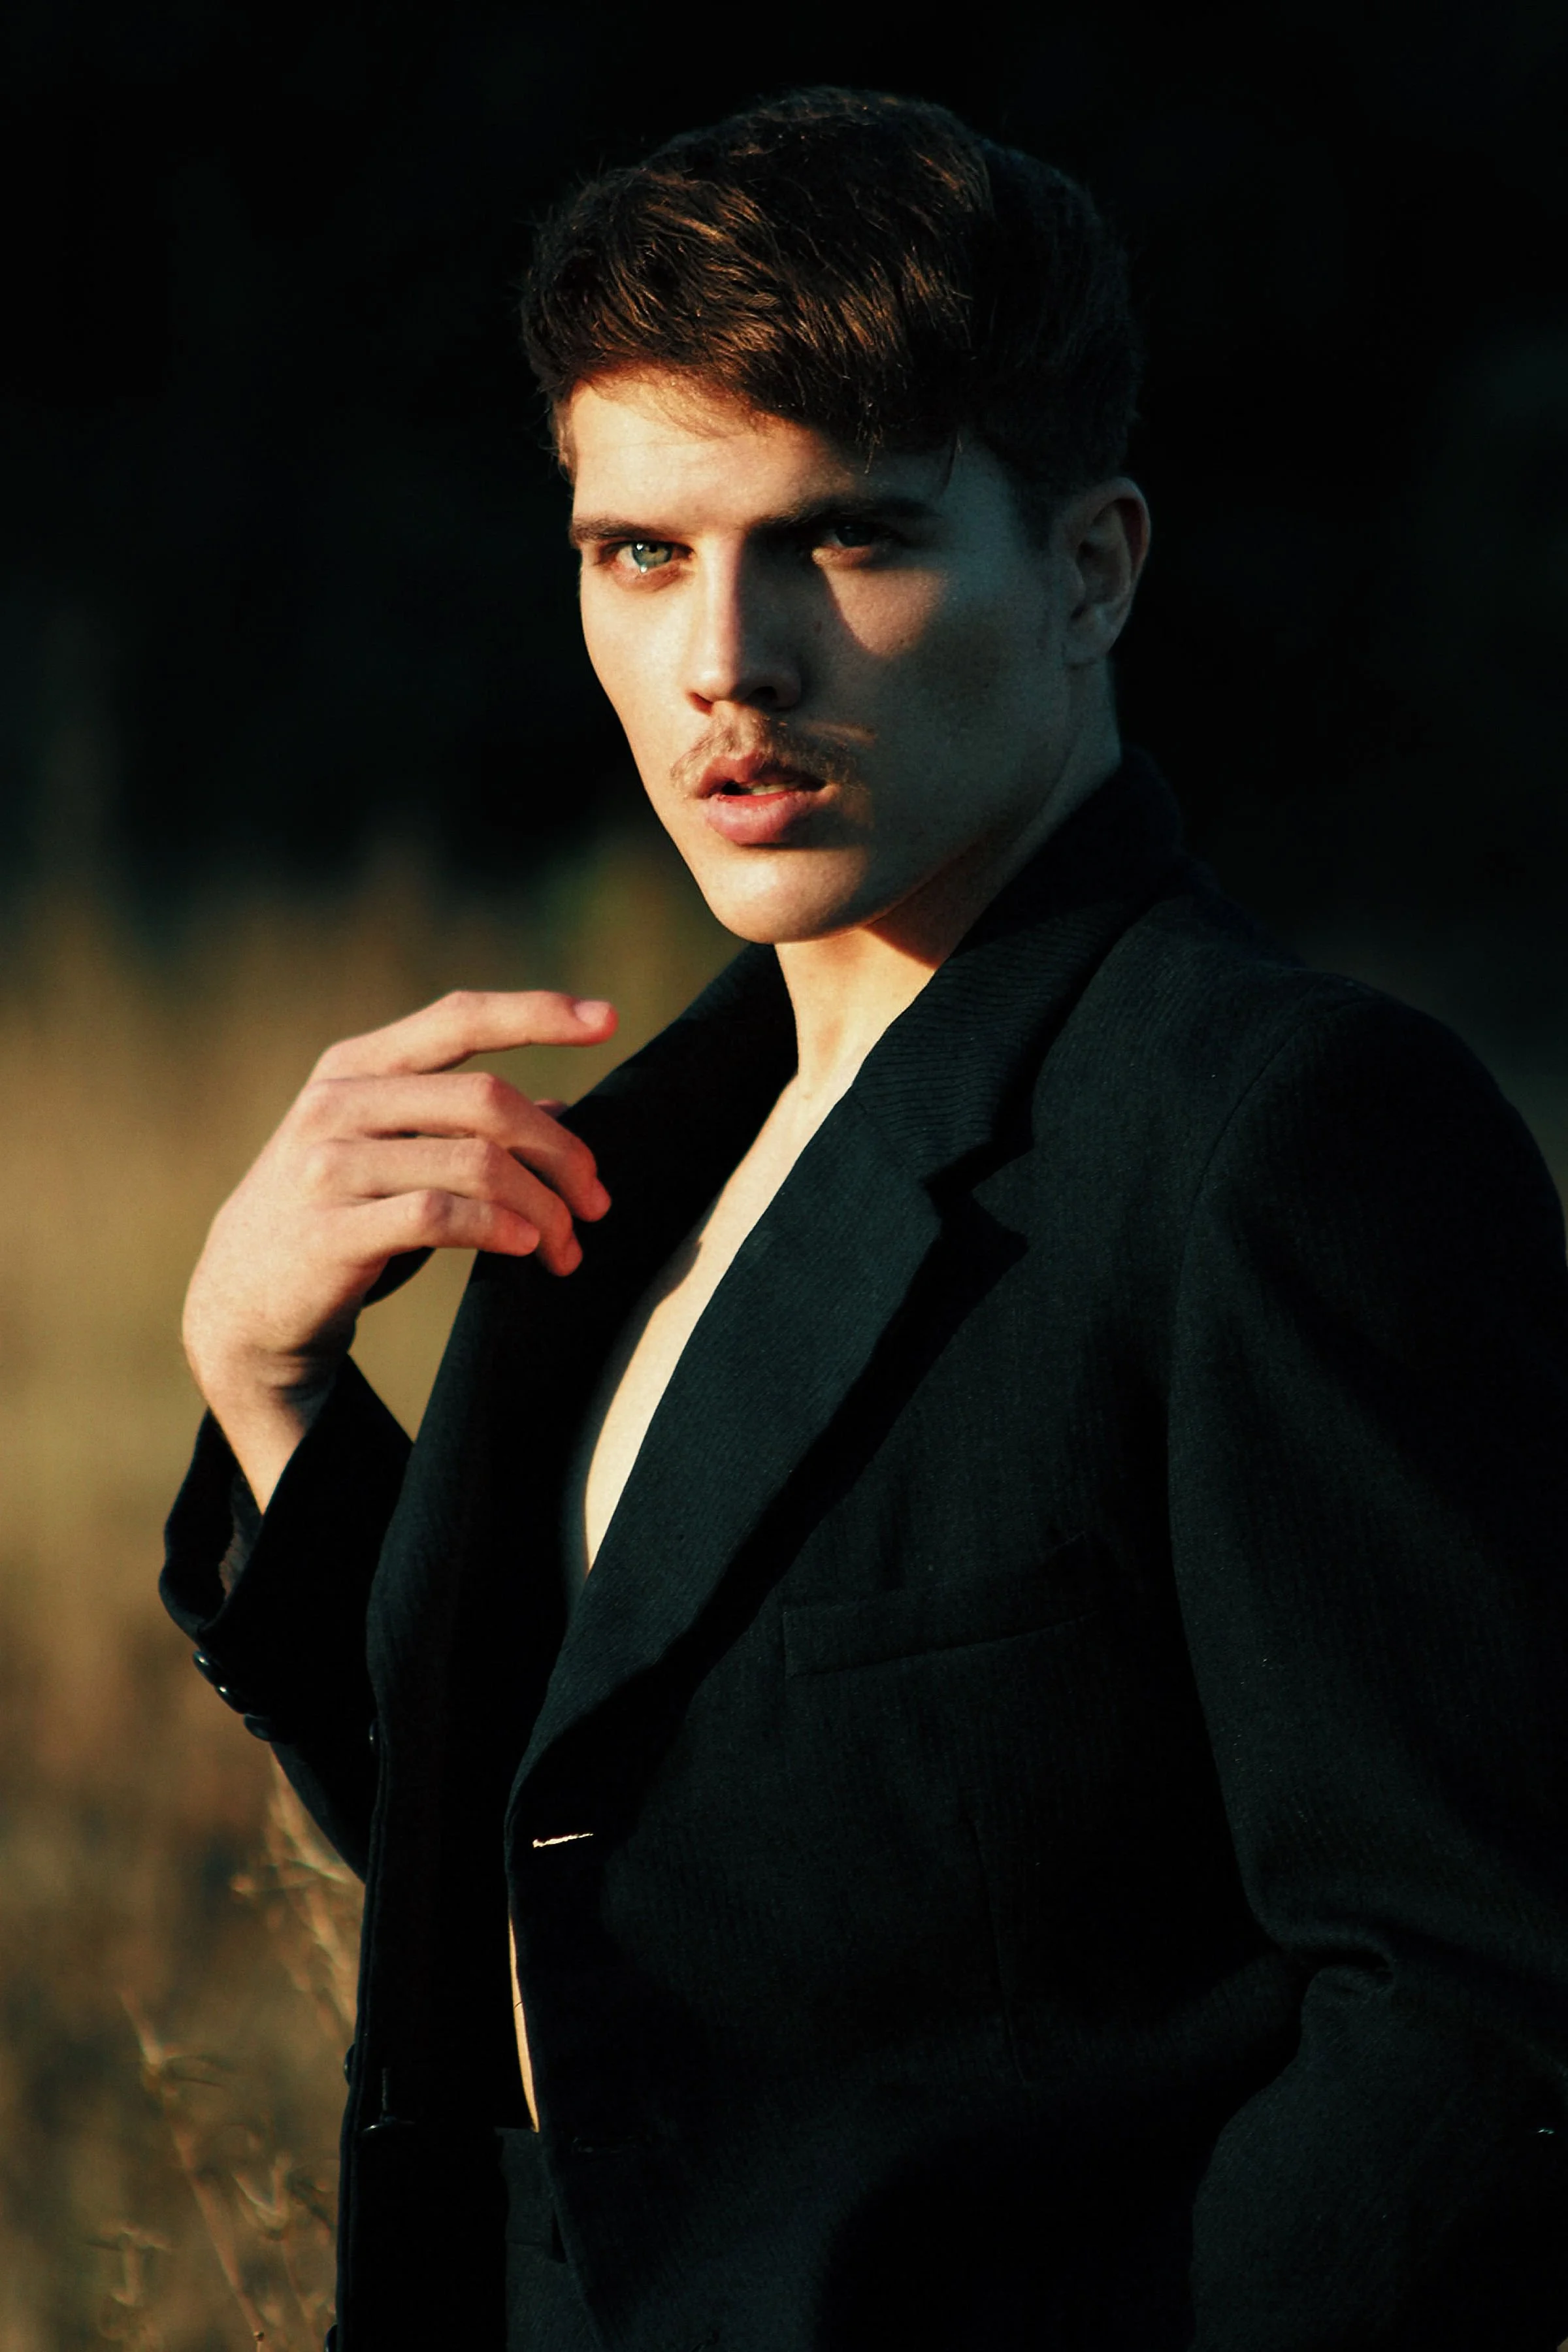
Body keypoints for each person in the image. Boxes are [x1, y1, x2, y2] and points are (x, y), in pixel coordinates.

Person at [161, 87, 1568, 2352]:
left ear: (1093, 568)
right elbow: (578, 1885)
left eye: (848, 540)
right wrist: (273, 1393)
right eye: (641, 551)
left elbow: (1486, 2030)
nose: (731, 656)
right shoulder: (647, 1163)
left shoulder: (1283, 1137)